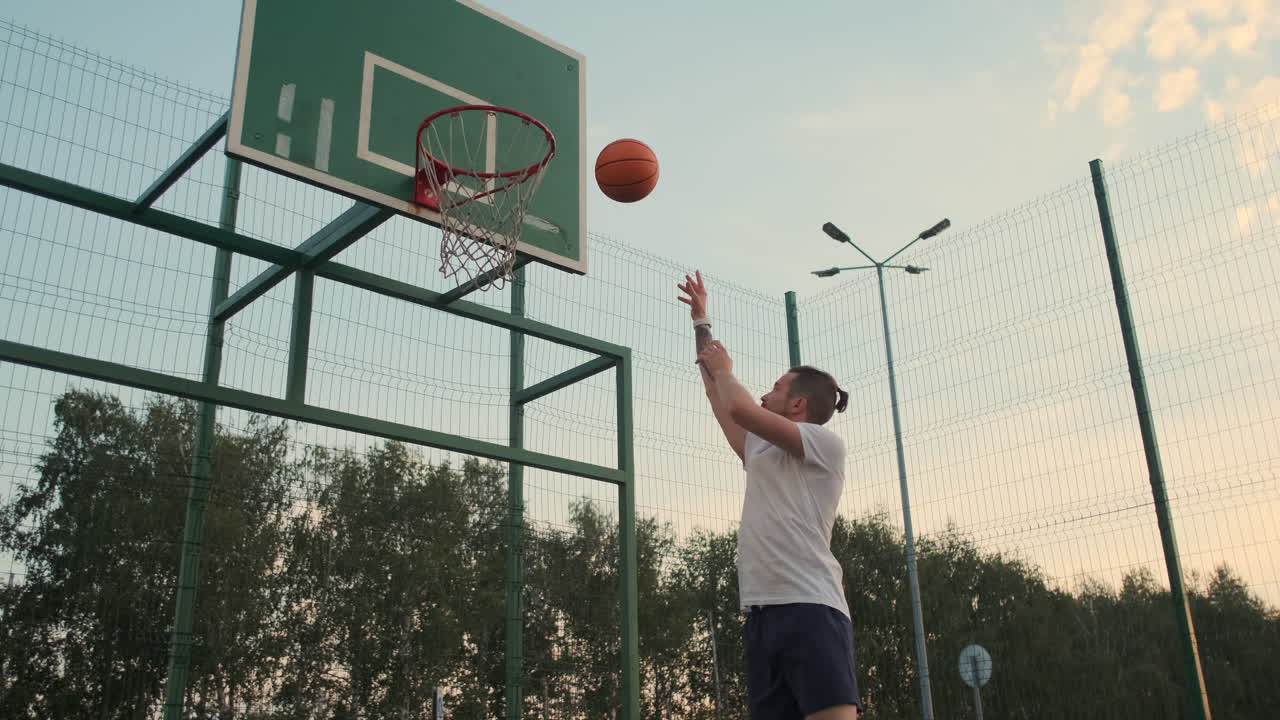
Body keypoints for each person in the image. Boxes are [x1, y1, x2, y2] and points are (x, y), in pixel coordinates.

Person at [678, 270, 863, 720]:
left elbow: (738, 402)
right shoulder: (759, 449)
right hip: (763, 613)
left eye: (776, 388)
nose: (765, 393)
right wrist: (702, 321)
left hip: (811, 608)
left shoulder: (823, 445)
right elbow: (719, 394)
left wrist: (728, 372)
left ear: (798, 405)